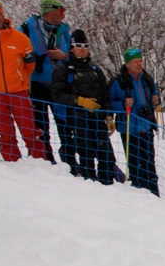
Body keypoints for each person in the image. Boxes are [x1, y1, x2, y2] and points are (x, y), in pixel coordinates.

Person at [0, 0, 47, 161]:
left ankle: (39, 164)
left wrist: (21, 79)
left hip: (19, 92)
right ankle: (13, 165)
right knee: (4, 133)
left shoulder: (19, 38)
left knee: (30, 131)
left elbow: (30, 63)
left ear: (3, 16)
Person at [50, 29, 117, 184]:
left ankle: (108, 186)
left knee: (107, 156)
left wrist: (109, 115)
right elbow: (57, 95)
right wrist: (79, 101)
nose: (82, 48)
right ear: (72, 47)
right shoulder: (63, 70)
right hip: (77, 120)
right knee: (86, 155)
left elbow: (105, 95)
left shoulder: (95, 69)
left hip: (98, 119)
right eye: (78, 45)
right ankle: (89, 186)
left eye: (85, 45)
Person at [19, 0, 74, 167]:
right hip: (36, 84)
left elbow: (77, 56)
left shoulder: (65, 32)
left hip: (59, 85)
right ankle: (45, 160)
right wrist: (35, 60)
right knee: (41, 124)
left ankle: (69, 160)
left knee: (65, 124)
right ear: (50, 11)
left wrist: (65, 56)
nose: (63, 16)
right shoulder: (26, 29)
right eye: (61, 11)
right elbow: (17, 55)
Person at [109, 47, 160, 195]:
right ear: (127, 64)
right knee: (135, 164)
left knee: (149, 163)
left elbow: (154, 95)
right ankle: (139, 193)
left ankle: (154, 194)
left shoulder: (147, 79)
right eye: (135, 62)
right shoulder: (118, 82)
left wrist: (156, 100)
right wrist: (123, 105)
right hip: (129, 128)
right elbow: (108, 103)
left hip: (146, 127)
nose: (139, 64)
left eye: (140, 61)